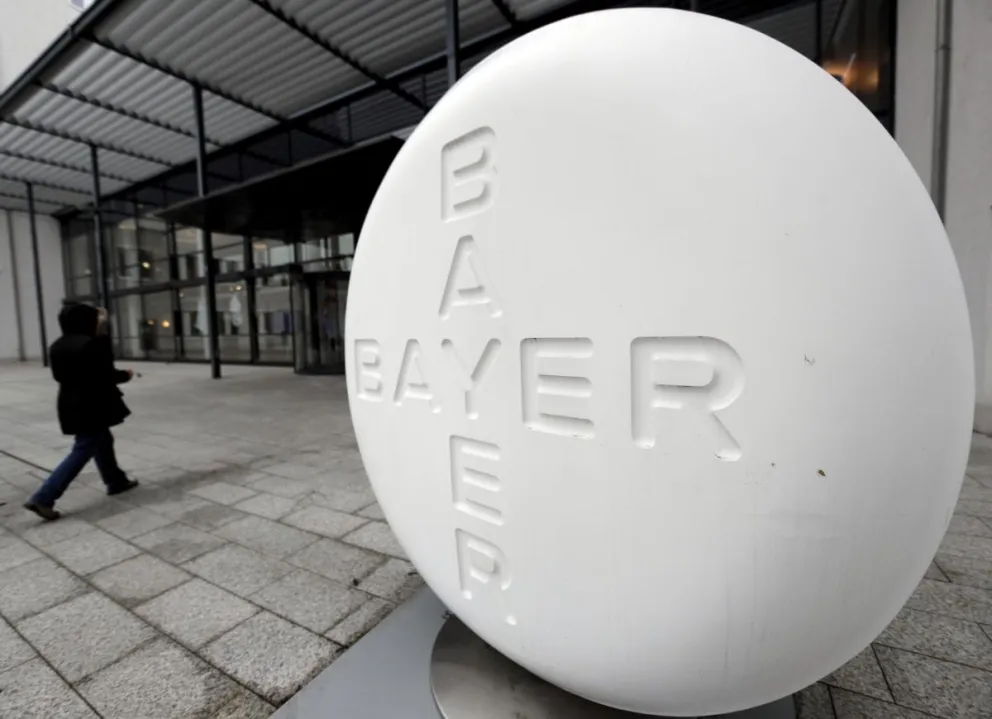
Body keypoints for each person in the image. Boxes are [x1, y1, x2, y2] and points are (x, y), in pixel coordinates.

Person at [23, 304, 138, 521]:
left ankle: (115, 480)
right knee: (85, 447)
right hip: (92, 403)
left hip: (69, 402)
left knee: (101, 439)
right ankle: (44, 497)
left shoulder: (57, 345)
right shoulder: (91, 344)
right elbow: (105, 374)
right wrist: (126, 374)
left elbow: (60, 376)